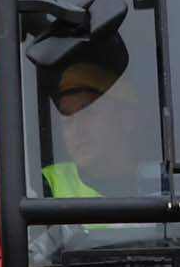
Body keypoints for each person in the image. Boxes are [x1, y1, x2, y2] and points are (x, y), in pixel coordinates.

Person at [42, 38, 157, 202]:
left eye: (88, 113)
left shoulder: (165, 187)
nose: (77, 130)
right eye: (66, 119)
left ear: (126, 118)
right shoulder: (45, 188)